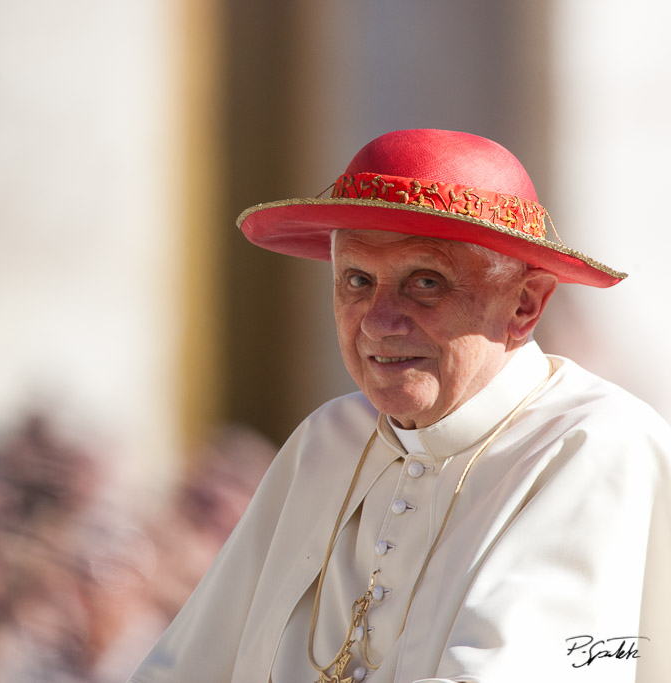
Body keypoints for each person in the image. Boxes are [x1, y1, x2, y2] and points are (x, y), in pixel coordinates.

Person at [128, 129, 671, 683]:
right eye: (357, 281)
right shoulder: (328, 439)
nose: (378, 322)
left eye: (426, 282)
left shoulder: (595, 444)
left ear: (524, 304)